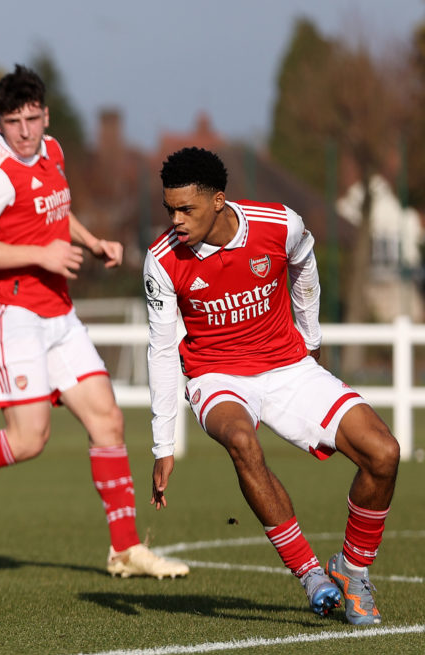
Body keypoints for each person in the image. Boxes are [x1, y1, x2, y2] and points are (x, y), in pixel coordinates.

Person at [0, 65, 189, 580]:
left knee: (108, 421)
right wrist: (41, 257)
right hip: (14, 316)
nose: (26, 130)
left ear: (45, 115)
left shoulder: (54, 151)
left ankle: (126, 548)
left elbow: (54, 212)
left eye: (33, 118)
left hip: (59, 314)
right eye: (13, 121)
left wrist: (90, 242)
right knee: (28, 441)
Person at [144, 146, 400, 625]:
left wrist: (311, 336)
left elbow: (305, 264)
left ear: (218, 200)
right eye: (169, 209)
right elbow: (160, 350)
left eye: (186, 209)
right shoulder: (162, 262)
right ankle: (309, 574)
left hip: (287, 366)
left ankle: (352, 571)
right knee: (242, 440)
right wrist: (163, 443)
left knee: (383, 453)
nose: (175, 220)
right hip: (215, 375)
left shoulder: (280, 224)